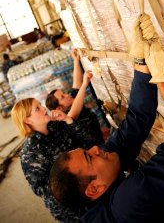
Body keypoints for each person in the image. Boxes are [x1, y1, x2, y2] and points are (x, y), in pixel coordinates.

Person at [49, 13, 164, 222]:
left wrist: (141, 63)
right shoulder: (127, 204)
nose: (96, 149)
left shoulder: (103, 168)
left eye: (87, 150)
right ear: (94, 189)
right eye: (89, 157)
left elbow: (136, 120)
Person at [11, 70, 104, 223]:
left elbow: (85, 141)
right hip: (71, 209)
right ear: (28, 121)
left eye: (40, 105)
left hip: (90, 189)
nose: (43, 108)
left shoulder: (56, 126)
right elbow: (40, 189)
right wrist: (72, 179)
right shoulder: (31, 152)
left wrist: (68, 120)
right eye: (37, 109)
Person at [45, 48, 108, 141]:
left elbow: (76, 83)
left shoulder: (71, 100)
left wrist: (75, 60)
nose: (67, 95)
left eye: (64, 93)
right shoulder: (67, 118)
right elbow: (73, 112)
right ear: (59, 108)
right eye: (62, 97)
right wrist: (85, 84)